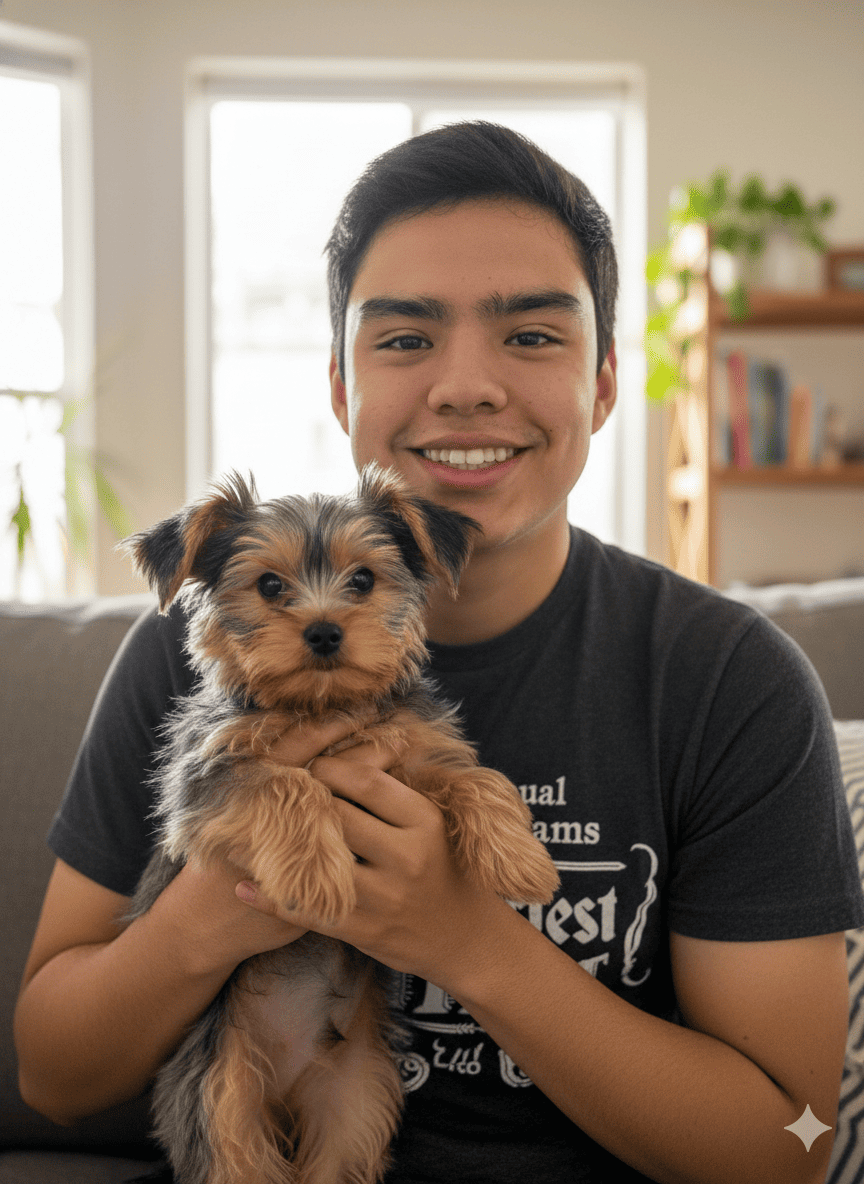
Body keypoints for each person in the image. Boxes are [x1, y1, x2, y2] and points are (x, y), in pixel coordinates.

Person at [14, 121, 863, 1184]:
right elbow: (50, 1070)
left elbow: (791, 1147)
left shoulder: (728, 682)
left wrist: (462, 935)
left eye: (533, 335)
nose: (466, 384)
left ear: (605, 381)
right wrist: (207, 913)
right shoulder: (188, 648)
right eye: (407, 337)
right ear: (340, 384)